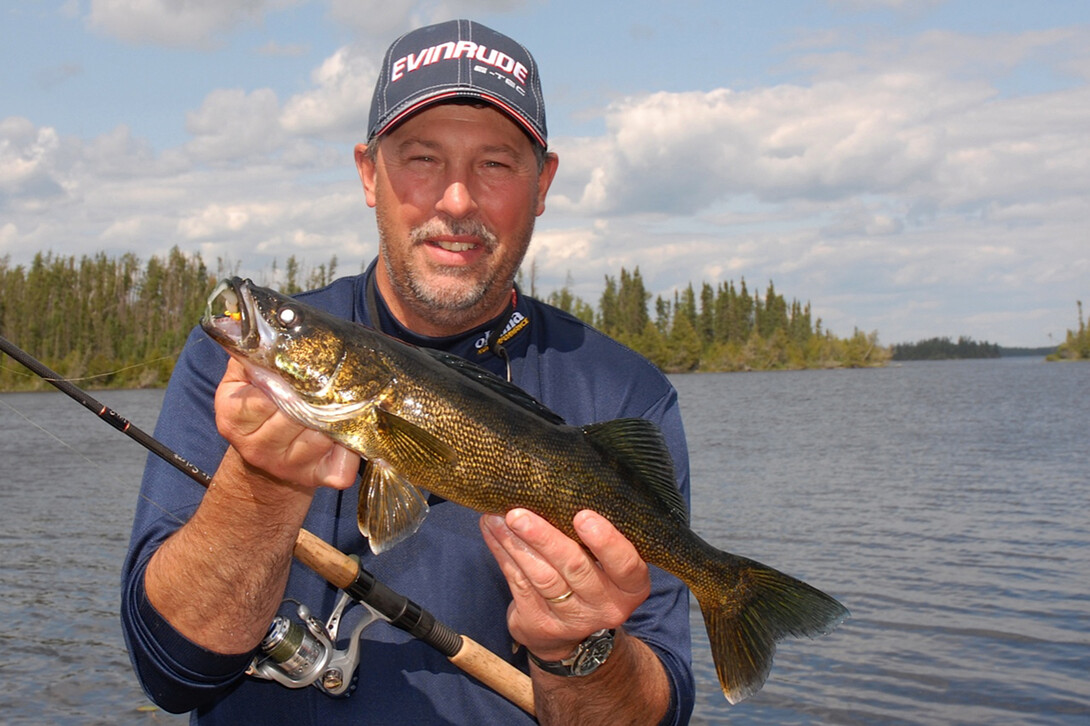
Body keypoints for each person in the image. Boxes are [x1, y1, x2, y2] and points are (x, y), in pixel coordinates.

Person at [121, 19, 694, 725]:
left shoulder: (626, 396)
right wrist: (262, 483)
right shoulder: (234, 371)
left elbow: (652, 718)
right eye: (422, 158)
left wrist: (579, 649)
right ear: (369, 172)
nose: (457, 200)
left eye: (495, 164)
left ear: (542, 184)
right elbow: (173, 674)